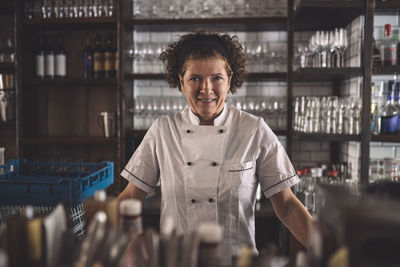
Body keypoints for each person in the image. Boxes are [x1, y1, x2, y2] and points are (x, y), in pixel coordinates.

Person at [117, 31, 313, 266]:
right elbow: (130, 197)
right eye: (195, 78)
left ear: (230, 80)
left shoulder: (253, 129)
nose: (206, 89)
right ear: (181, 81)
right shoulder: (163, 130)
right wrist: (93, 241)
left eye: (216, 78)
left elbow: (287, 205)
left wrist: (329, 251)